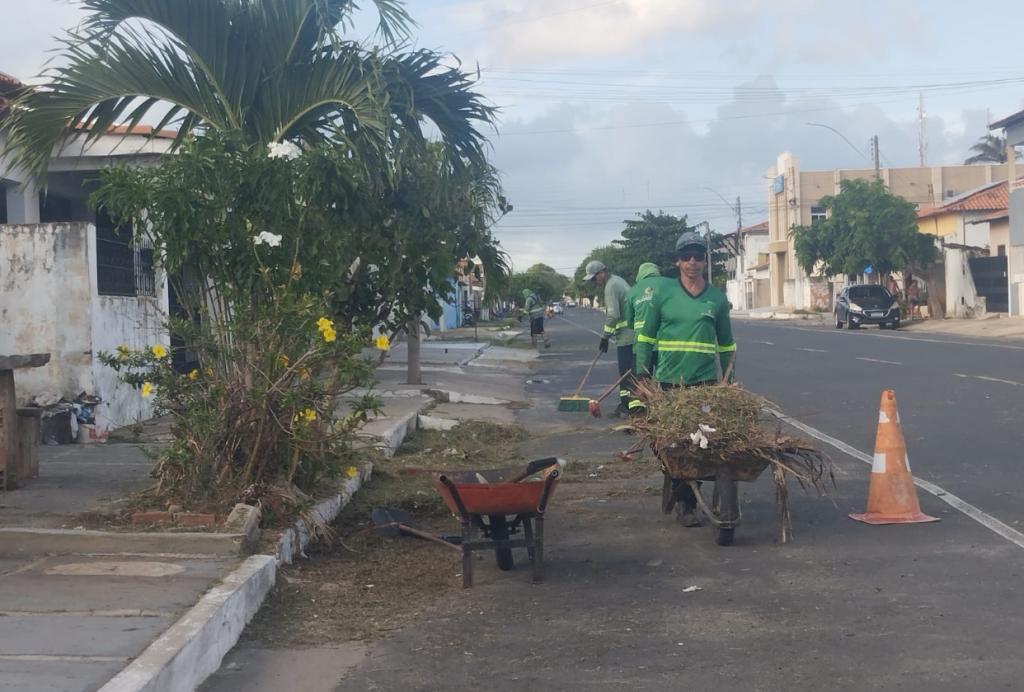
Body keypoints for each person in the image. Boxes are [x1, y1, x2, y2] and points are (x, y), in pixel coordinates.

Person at [638, 231, 737, 527]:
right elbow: (645, 337)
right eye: (686, 257)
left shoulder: (717, 299)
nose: (692, 262)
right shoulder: (662, 297)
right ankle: (683, 497)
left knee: (702, 442)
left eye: (697, 256)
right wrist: (643, 375)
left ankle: (689, 499)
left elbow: (727, 345)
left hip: (704, 386)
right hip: (668, 384)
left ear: (703, 261)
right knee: (670, 445)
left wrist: (730, 382)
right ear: (677, 262)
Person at [583, 260, 634, 417]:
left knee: (626, 375)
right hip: (632, 335)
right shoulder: (618, 280)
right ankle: (628, 406)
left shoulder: (611, 286)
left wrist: (605, 337)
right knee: (630, 374)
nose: (593, 281)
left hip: (628, 337)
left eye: (594, 278)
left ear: (601, 273)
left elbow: (613, 315)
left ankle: (628, 408)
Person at [623, 262, 671, 414]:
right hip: (666, 344)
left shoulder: (633, 291)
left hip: (642, 346)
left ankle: (637, 414)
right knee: (668, 382)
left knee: (640, 381)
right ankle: (670, 413)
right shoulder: (672, 286)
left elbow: (629, 322)